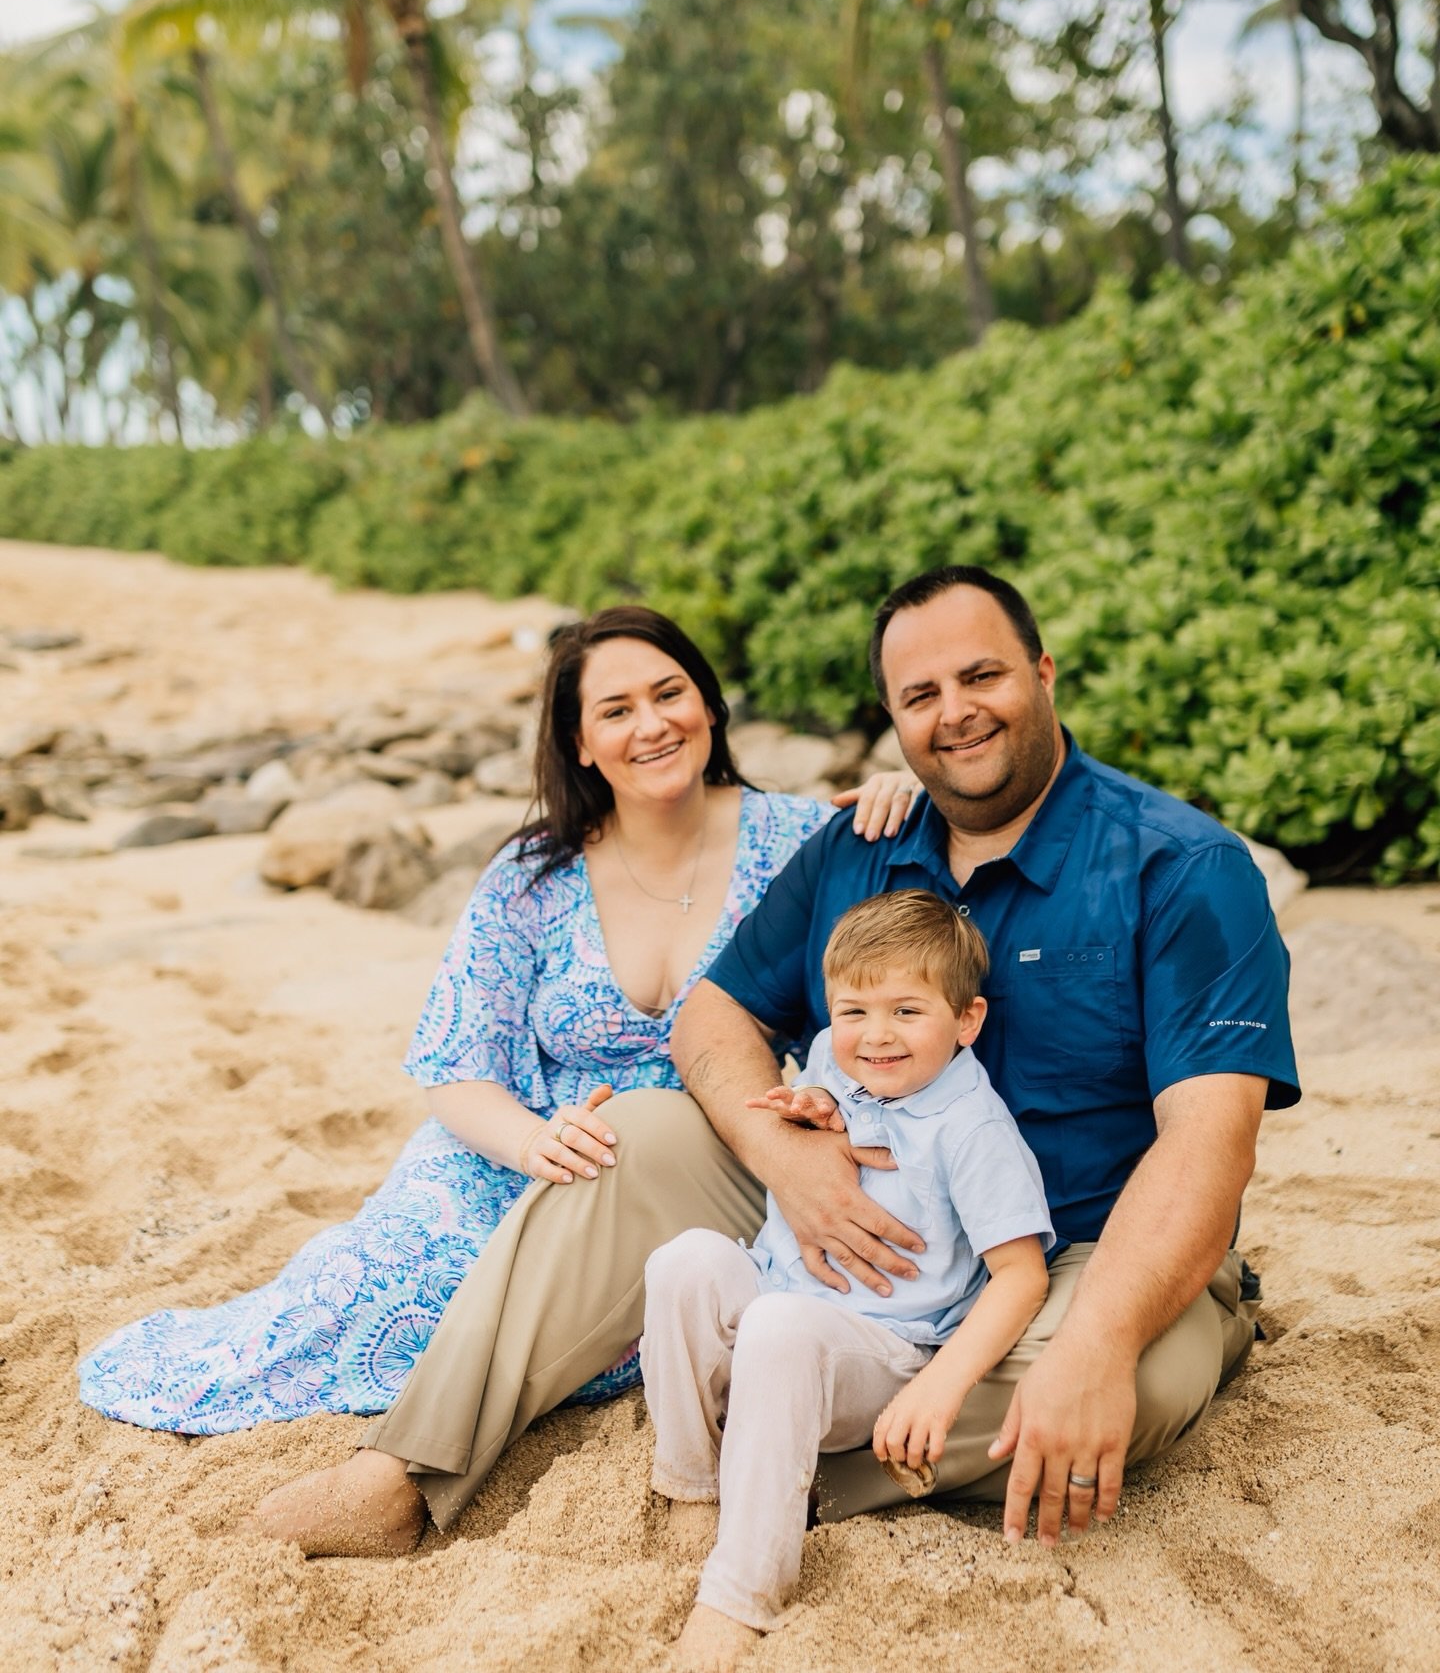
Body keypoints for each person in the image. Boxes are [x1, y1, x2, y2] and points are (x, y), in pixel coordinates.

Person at [249, 563, 1299, 1558]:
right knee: (639, 1134)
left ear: (1043, 673)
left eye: (982, 676)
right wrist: (783, 1158)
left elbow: (1210, 1146)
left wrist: (1100, 1341)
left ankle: (785, 1463)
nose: (956, 711)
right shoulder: (859, 846)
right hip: (853, 1214)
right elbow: (709, 1019)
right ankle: (407, 1468)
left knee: (1120, 1386)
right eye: (920, 693)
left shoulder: (1182, 866)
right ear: (892, 718)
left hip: (1073, 1248)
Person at [78, 606, 914, 1455]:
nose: (653, 724)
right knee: (362, 1284)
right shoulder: (534, 872)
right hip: (525, 1147)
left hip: (700, 1167)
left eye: (671, 694)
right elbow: (455, 1064)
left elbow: (904, 949)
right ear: (581, 743)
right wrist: (533, 1144)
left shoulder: (803, 840)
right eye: (616, 711)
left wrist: (902, 795)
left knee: (598, 1313)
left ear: (710, 705)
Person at [643, 889, 1053, 1668]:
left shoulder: (973, 1130)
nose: (876, 1036)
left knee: (780, 1328)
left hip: (881, 1349)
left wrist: (939, 1387)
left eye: (907, 1011)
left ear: (967, 1021)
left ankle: (744, 1590)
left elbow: (1021, 1277)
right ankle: (693, 1486)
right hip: (783, 1291)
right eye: (854, 1010)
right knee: (684, 1262)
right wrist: (814, 1099)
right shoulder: (837, 1052)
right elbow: (834, 1074)